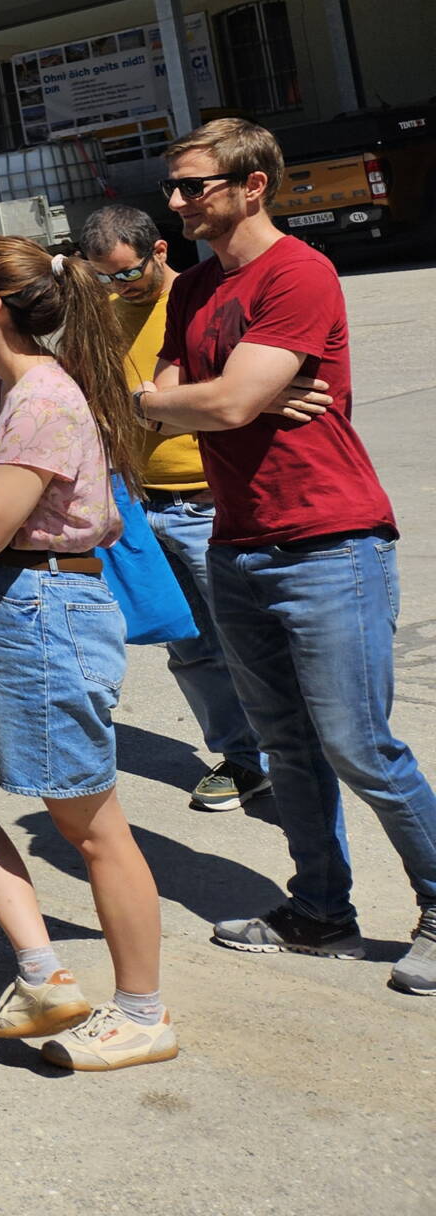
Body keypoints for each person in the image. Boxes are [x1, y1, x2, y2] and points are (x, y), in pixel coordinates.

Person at [140, 119, 436, 994]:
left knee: (358, 745)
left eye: (195, 186)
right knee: (286, 748)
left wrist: (215, 399)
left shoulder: (299, 273)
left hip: (328, 544)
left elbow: (223, 405)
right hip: (237, 543)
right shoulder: (192, 289)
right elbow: (154, 398)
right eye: (175, 185)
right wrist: (200, 398)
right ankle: (319, 912)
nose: (178, 200)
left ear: (253, 185)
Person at [0, 234, 178, 1072]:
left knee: (90, 824)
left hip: (46, 608)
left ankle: (143, 1014)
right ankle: (42, 973)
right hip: (16, 603)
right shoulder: (6, 393)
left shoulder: (41, 401)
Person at [77, 204, 268, 811]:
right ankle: (241, 758)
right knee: (187, 646)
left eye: (126, 273)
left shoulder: (201, 302)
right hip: (141, 505)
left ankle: (291, 754)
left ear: (159, 251)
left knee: (250, 642)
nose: (117, 287)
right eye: (103, 277)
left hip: (210, 505)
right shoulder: (102, 319)